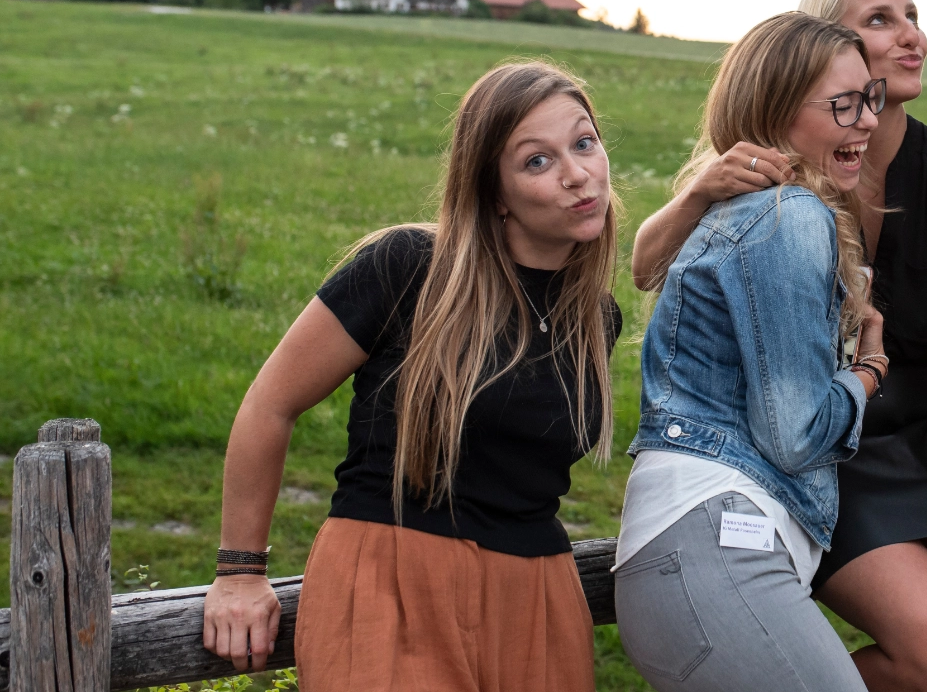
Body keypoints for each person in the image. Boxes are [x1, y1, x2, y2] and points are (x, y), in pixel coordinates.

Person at [631, 0, 927, 692]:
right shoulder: (769, 184)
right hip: (816, 441)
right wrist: (700, 190)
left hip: (915, 427)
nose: (910, 37)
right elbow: (647, 268)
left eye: (912, 14)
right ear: (825, 47)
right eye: (880, 20)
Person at [200, 60, 622, 692]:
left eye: (584, 143)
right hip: (389, 578)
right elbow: (271, 404)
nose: (577, 174)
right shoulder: (408, 267)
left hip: (537, 598)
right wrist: (239, 570)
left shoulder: (592, 315)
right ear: (493, 193)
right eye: (537, 160)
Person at [614, 11, 885, 692]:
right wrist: (867, 374)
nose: (868, 121)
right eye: (843, 104)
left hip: (702, 549)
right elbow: (793, 434)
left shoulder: (755, 205)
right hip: (715, 539)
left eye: (870, 97)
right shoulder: (787, 214)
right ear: (776, 110)